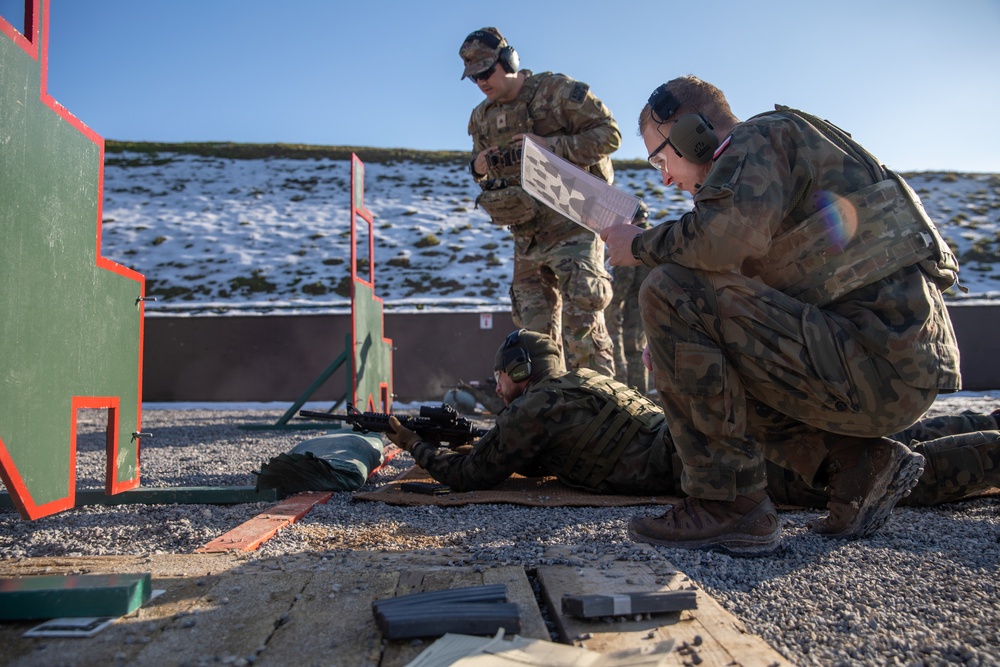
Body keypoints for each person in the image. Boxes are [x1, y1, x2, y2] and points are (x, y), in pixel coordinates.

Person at [599, 76, 962, 554]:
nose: (665, 177)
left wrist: (640, 245)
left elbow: (720, 240)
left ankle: (730, 506)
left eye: (662, 159)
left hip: (875, 363)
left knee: (667, 288)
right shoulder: (776, 155)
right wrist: (682, 354)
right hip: (884, 368)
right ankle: (857, 463)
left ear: (693, 133)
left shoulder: (757, 139)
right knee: (695, 346)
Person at [385, 331, 996, 556]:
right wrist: (475, 432)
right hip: (700, 436)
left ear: (518, 371)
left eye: (500, 377)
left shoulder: (535, 409)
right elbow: (537, 442)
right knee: (873, 446)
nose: (495, 387)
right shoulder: (581, 383)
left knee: (873, 479)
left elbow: (470, 478)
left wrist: (411, 442)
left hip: (701, 463)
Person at [459, 27, 620, 376]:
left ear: (509, 61)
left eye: (486, 72)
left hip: (574, 222)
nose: (481, 82)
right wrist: (478, 167)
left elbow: (610, 134)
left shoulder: (556, 91)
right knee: (534, 345)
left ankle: (603, 415)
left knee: (584, 333)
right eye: (474, 77)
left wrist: (551, 147)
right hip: (526, 238)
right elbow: (479, 165)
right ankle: (549, 418)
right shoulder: (480, 117)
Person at [606, 201, 652, 394]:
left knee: (632, 352)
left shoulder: (631, 239)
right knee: (641, 351)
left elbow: (624, 278)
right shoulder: (653, 236)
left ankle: (636, 396)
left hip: (634, 306)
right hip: (650, 304)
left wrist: (612, 304)